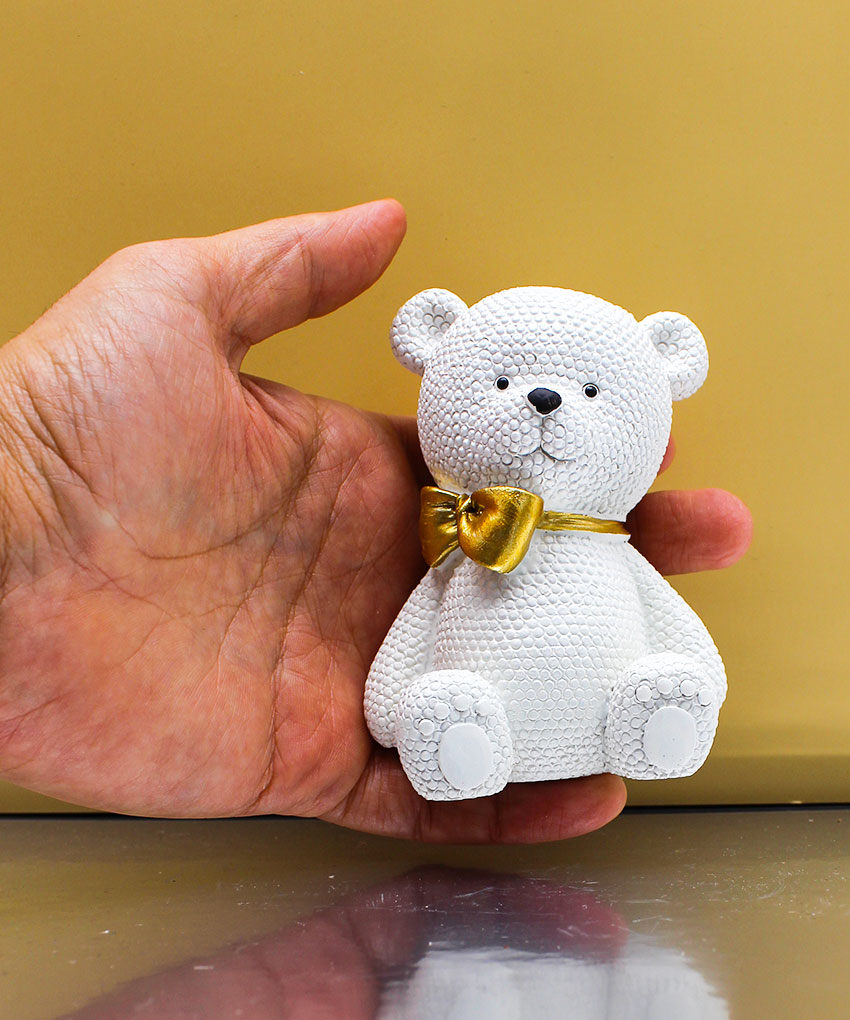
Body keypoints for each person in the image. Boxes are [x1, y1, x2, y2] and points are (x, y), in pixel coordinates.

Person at [0, 200, 752, 843]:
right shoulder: (466, 538)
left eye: (589, 391)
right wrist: (30, 473)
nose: (543, 401)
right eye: (502, 381)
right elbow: (423, 615)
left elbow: (670, 621)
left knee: (667, 677)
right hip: (482, 692)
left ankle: (651, 716)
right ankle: (458, 732)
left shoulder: (602, 549)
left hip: (610, 694)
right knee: (434, 703)